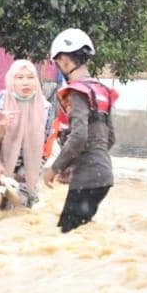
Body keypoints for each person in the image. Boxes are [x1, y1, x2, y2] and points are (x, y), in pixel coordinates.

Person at [42, 28, 116, 233]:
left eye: (57, 63)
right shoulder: (101, 91)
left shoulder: (77, 91)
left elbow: (79, 136)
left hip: (87, 179)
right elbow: (110, 138)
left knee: (66, 235)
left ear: (65, 61)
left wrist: (55, 168)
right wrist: (75, 165)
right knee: (78, 233)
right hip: (104, 175)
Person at [0, 59, 51, 213]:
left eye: (30, 77)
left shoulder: (45, 107)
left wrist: (21, 175)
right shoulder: (2, 100)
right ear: (11, 80)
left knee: (18, 222)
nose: (26, 82)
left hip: (27, 175)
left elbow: (43, 147)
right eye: (19, 77)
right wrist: (1, 128)